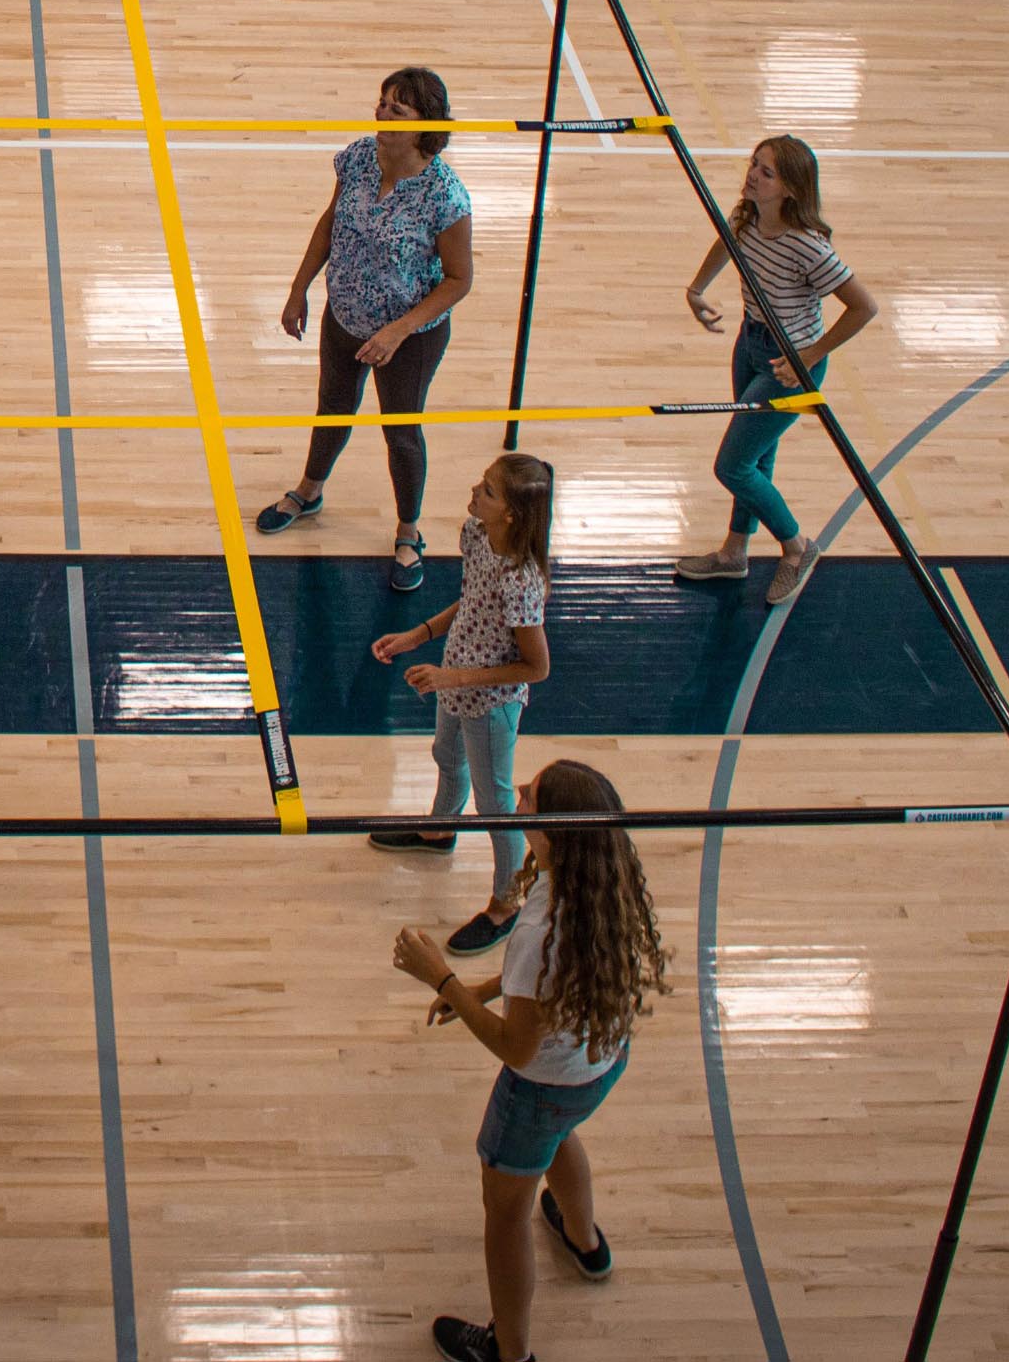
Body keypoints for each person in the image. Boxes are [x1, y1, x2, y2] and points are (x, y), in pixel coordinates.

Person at [390, 760, 671, 1362]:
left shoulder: (542, 931)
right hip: (597, 1063)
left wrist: (441, 978)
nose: (516, 795)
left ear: (553, 830)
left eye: (530, 797)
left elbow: (517, 1047)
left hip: (539, 1086)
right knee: (560, 1132)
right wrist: (485, 989)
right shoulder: (598, 882)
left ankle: (509, 1353)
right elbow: (541, 989)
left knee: (506, 1216)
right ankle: (585, 1243)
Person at [262, 66, 476, 593]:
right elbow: (332, 221)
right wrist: (299, 288)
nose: (381, 113)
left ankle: (408, 532)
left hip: (409, 337)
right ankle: (309, 491)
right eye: (381, 103)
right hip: (345, 317)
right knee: (332, 406)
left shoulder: (445, 196)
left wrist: (399, 331)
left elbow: (458, 280)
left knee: (401, 432)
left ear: (425, 123)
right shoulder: (359, 157)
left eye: (396, 109)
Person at [674, 134, 882, 606]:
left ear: (791, 188)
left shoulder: (808, 246)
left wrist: (807, 358)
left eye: (766, 172)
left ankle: (796, 547)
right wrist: (696, 288)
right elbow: (726, 242)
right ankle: (735, 553)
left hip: (791, 364)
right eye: (754, 165)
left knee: (733, 465)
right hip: (751, 343)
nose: (752, 175)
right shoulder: (748, 214)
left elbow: (863, 307)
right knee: (757, 455)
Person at [367, 454, 555, 956]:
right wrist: (418, 635)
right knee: (447, 760)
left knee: (496, 804)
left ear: (512, 513)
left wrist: (454, 676)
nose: (475, 490)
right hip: (453, 682)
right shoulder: (476, 534)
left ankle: (506, 902)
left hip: (490, 704)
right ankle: (438, 832)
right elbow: (471, 601)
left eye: (489, 491)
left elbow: (536, 668)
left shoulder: (523, 581)